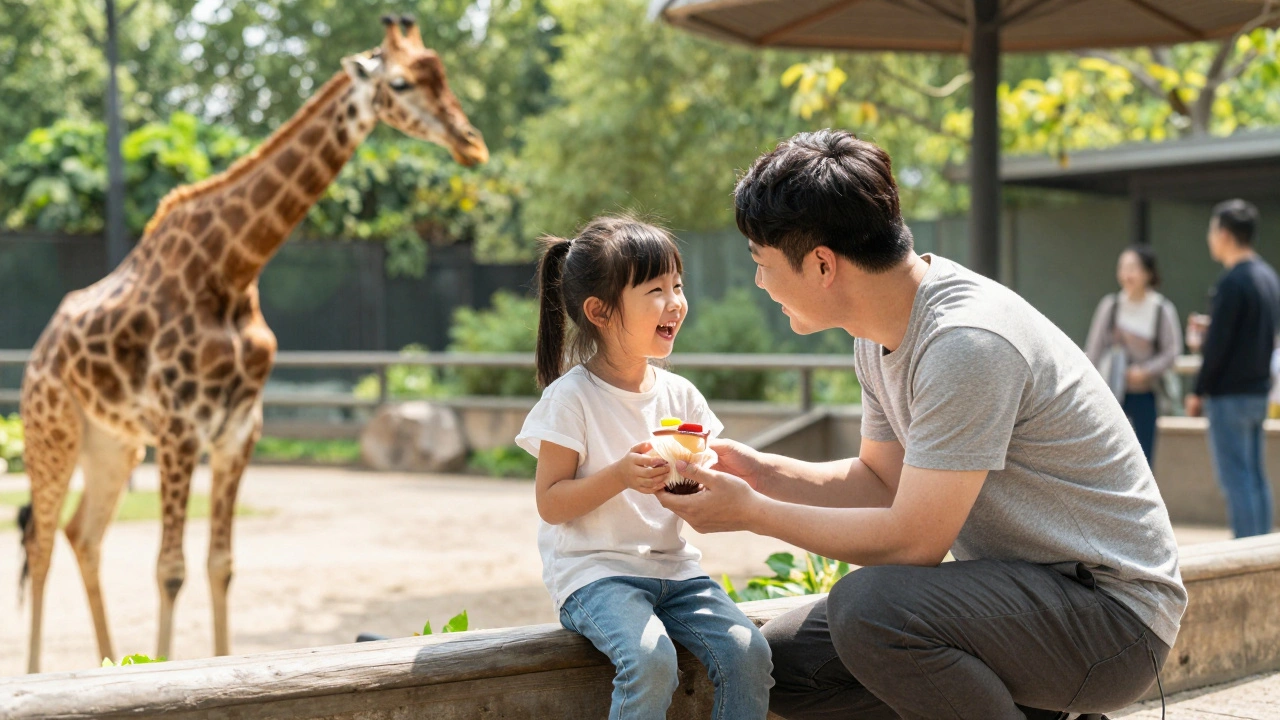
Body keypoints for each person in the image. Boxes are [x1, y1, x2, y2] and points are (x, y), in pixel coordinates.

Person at [658, 130, 1186, 719]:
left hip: (1111, 621)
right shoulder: (878, 331)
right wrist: (759, 474)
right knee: (778, 665)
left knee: (870, 608)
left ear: (822, 264)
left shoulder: (966, 342)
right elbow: (881, 482)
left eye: (762, 263)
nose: (759, 282)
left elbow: (914, 542)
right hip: (1025, 598)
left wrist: (751, 513)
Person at [514, 215, 773, 720]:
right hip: (595, 575)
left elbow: (709, 472)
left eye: (678, 285)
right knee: (651, 660)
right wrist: (619, 476)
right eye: (655, 289)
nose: (675, 302)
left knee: (748, 651)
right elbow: (550, 502)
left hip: (674, 570)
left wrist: (703, 476)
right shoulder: (570, 399)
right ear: (600, 312)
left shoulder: (680, 394)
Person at [1184, 199, 1280, 539]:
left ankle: (1244, 556)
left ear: (1224, 234)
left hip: (1229, 397)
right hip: (1257, 393)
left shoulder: (1231, 282)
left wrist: (1197, 391)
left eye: (1212, 230)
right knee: (1255, 476)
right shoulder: (1268, 277)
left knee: (1237, 480)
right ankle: (1265, 554)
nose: (1210, 238)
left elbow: (1218, 348)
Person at [1084, 245, 1182, 466]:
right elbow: (1095, 349)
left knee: (1144, 459)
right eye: (1123, 267)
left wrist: (1145, 371)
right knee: (1109, 458)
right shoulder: (1111, 306)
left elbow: (1172, 353)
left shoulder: (1161, 309)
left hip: (1147, 394)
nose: (1127, 274)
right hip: (1112, 394)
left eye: (1133, 268)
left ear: (1148, 273)